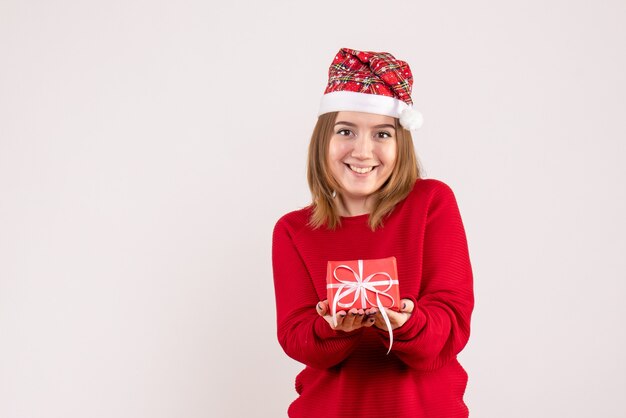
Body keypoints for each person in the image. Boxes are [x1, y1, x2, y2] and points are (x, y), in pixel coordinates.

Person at [271, 48, 474, 418]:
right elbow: (296, 338)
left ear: (402, 144)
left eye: (382, 134)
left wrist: (406, 323)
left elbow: (450, 328)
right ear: (322, 141)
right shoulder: (293, 230)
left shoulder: (432, 204)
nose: (362, 151)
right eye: (345, 131)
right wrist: (335, 328)